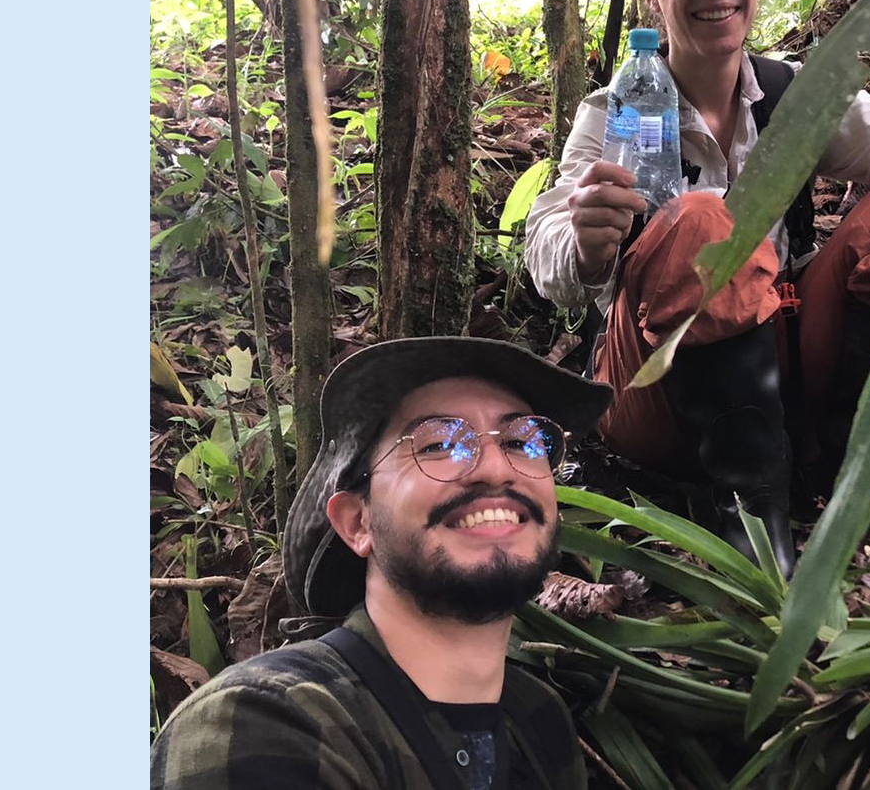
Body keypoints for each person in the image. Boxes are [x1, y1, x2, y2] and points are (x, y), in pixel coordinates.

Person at [524, 0, 870, 577]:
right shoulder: (620, 109)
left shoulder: (791, 94)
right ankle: (752, 523)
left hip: (780, 381)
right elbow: (547, 242)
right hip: (653, 390)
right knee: (705, 220)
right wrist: (585, 244)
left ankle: (859, 476)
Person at [151, 337, 612, 790]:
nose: (497, 468)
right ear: (357, 522)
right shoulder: (266, 722)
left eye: (522, 442)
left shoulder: (541, 720)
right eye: (437, 445)